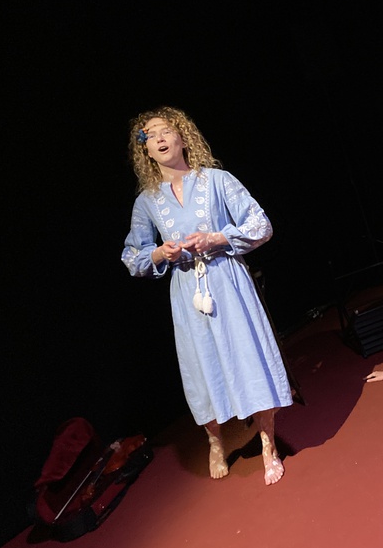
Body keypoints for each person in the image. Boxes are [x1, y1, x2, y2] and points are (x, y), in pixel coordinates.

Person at [121, 106, 292, 485]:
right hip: (187, 292)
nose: (160, 138)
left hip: (228, 281)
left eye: (166, 131)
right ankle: (215, 441)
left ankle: (268, 444)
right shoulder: (147, 202)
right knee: (202, 368)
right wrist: (159, 253)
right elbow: (132, 257)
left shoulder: (217, 180)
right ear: (145, 150)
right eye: (151, 135)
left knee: (249, 357)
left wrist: (217, 237)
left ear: (183, 138)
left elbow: (260, 224)